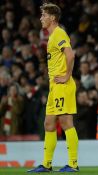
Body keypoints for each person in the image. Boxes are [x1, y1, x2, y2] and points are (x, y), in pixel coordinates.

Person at [28, 3, 79, 172]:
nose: (41, 18)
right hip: (54, 86)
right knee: (49, 124)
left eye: (43, 15)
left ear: (52, 18)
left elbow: (70, 54)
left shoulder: (59, 33)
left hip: (62, 85)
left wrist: (67, 75)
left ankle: (73, 163)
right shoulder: (52, 37)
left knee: (66, 122)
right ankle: (47, 164)